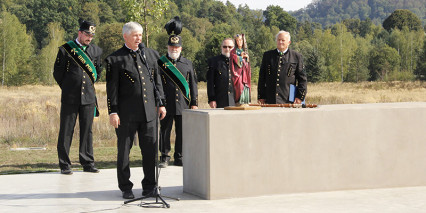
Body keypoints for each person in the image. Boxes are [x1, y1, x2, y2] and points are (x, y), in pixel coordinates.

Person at [105, 22, 167, 199]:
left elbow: (158, 82)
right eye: (135, 35)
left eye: (140, 35)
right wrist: (113, 112)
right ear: (125, 36)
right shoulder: (114, 59)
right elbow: (112, 90)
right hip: (126, 115)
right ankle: (125, 187)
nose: (139, 38)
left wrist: (161, 103)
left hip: (149, 113)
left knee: (150, 151)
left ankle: (150, 185)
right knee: (124, 151)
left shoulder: (151, 55)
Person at [53, 20, 102, 175]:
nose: (89, 38)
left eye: (92, 35)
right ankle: (65, 164)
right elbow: (58, 73)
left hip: (88, 97)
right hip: (70, 97)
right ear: (80, 32)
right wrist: (68, 87)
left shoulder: (96, 51)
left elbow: (98, 73)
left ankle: (87, 162)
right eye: (87, 34)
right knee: (66, 130)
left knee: (87, 131)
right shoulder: (65, 49)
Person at [157, 34, 198, 168]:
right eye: (172, 46)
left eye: (176, 46)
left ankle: (179, 157)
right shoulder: (161, 63)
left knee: (182, 132)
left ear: (181, 48)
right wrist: (160, 103)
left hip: (183, 104)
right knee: (165, 132)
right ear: (168, 47)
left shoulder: (187, 63)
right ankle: (165, 157)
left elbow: (193, 84)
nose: (174, 49)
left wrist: (194, 102)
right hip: (166, 104)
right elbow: (158, 85)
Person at [257, 31, 307, 104]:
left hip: (289, 99)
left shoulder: (296, 56)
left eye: (283, 40)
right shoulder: (268, 55)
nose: (280, 42)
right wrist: (261, 96)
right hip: (270, 99)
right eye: (278, 40)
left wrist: (299, 97)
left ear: (289, 42)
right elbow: (262, 78)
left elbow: (302, 79)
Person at [206, 38, 236, 108]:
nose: (227, 49)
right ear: (221, 47)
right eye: (225, 47)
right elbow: (210, 82)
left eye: (230, 47)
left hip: (236, 100)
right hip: (220, 99)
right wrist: (211, 99)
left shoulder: (238, 61)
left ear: (234, 48)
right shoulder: (213, 61)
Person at [230, 34, 251, 104]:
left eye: (240, 40)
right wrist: (241, 57)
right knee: (239, 85)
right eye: (237, 40)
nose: (239, 42)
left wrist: (247, 57)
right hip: (238, 73)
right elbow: (234, 59)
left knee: (246, 86)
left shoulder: (245, 50)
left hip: (245, 71)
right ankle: (239, 100)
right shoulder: (233, 51)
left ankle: (245, 100)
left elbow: (248, 62)